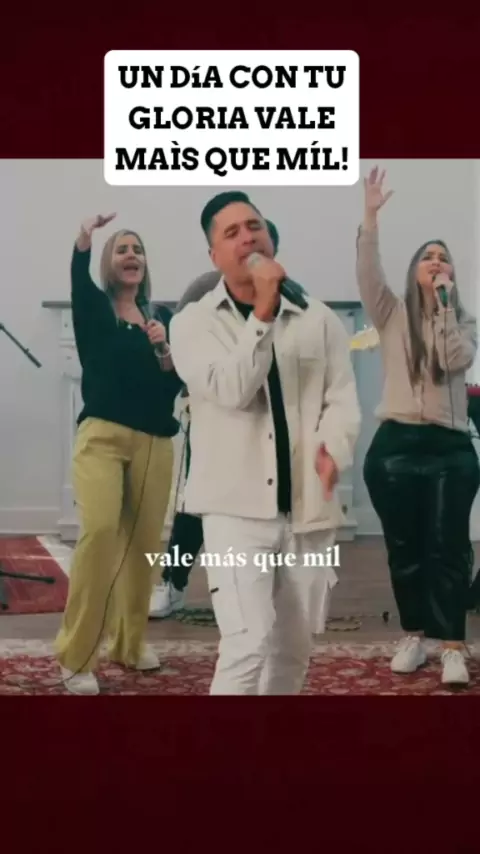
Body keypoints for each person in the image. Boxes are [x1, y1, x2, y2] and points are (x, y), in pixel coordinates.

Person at [168, 191, 361, 694]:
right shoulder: (191, 323)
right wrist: (264, 314)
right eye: (231, 232)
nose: (247, 237)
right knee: (247, 643)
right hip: (234, 510)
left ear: (271, 238)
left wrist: (334, 448)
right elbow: (230, 390)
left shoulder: (319, 318)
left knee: (293, 650)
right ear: (214, 255)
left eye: (254, 226)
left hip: (307, 510)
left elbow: (341, 398)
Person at [357, 166, 480, 687]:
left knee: (449, 546)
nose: (435, 262)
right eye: (427, 256)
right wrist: (370, 217)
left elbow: (454, 360)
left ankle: (451, 644)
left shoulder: (463, 321)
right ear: (413, 271)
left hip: (450, 446)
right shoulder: (390, 313)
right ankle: (414, 634)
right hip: (396, 445)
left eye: (443, 257)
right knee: (405, 546)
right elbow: (368, 272)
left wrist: (445, 309)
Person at [54, 214, 182, 694]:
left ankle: (129, 644)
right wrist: (84, 239)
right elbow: (78, 276)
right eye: (122, 249)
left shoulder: (160, 317)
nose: (132, 255)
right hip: (103, 437)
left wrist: (164, 349)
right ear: (109, 262)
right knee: (101, 533)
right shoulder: (94, 307)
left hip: (154, 440)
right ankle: (77, 655)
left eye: (137, 249)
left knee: (144, 545)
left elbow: (173, 384)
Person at [149, 220, 299, 619]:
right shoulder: (204, 290)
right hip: (216, 421)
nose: (250, 248)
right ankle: (173, 583)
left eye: (260, 244)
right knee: (195, 509)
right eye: (238, 240)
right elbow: (182, 352)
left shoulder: (293, 296)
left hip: (272, 429)